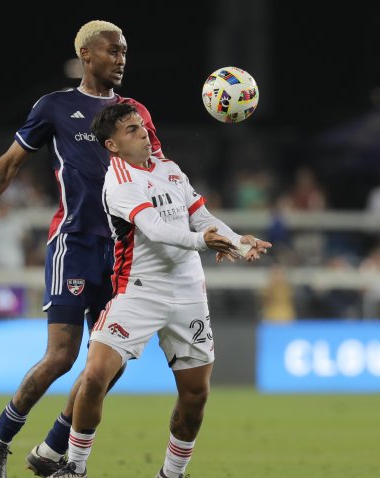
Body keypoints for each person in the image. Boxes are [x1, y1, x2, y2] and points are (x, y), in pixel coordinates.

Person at [0, 20, 164, 478]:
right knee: (62, 356)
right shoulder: (56, 107)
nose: (121, 58)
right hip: (75, 243)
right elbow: (9, 165)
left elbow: (159, 172)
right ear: (87, 56)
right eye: (113, 51)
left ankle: (53, 447)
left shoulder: (135, 112)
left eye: (125, 51)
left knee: (112, 362)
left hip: (124, 252)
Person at [48, 103, 271, 478]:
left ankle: (172, 474)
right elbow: (154, 228)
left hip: (188, 294)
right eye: (132, 130)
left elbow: (200, 215)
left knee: (196, 393)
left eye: (142, 126)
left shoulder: (170, 170)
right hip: (138, 291)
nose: (144, 133)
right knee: (94, 376)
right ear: (113, 145)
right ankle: (75, 466)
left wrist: (237, 241)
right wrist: (205, 242)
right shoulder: (118, 181)